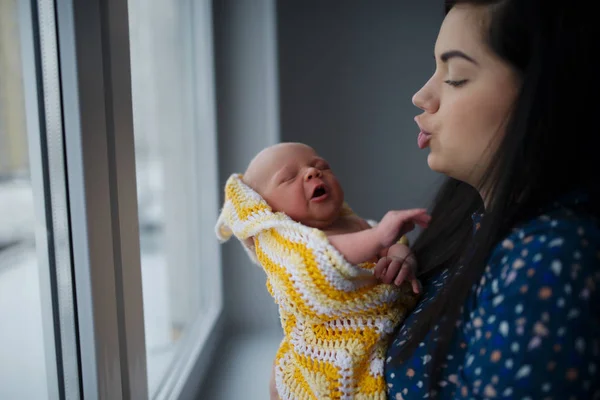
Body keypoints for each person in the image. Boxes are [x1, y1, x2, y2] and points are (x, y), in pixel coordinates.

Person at [269, 0, 599, 398]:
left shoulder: (552, 261)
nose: (422, 96)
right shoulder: (473, 219)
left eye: (456, 76)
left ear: (546, 94)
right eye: (436, 69)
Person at [217, 142, 431, 399]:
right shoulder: (289, 249)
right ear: (268, 210)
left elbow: (395, 246)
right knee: (286, 382)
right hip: (324, 342)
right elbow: (321, 257)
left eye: (321, 166)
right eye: (288, 178)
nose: (312, 173)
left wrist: (400, 258)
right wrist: (378, 237)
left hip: (376, 328)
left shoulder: (356, 223)